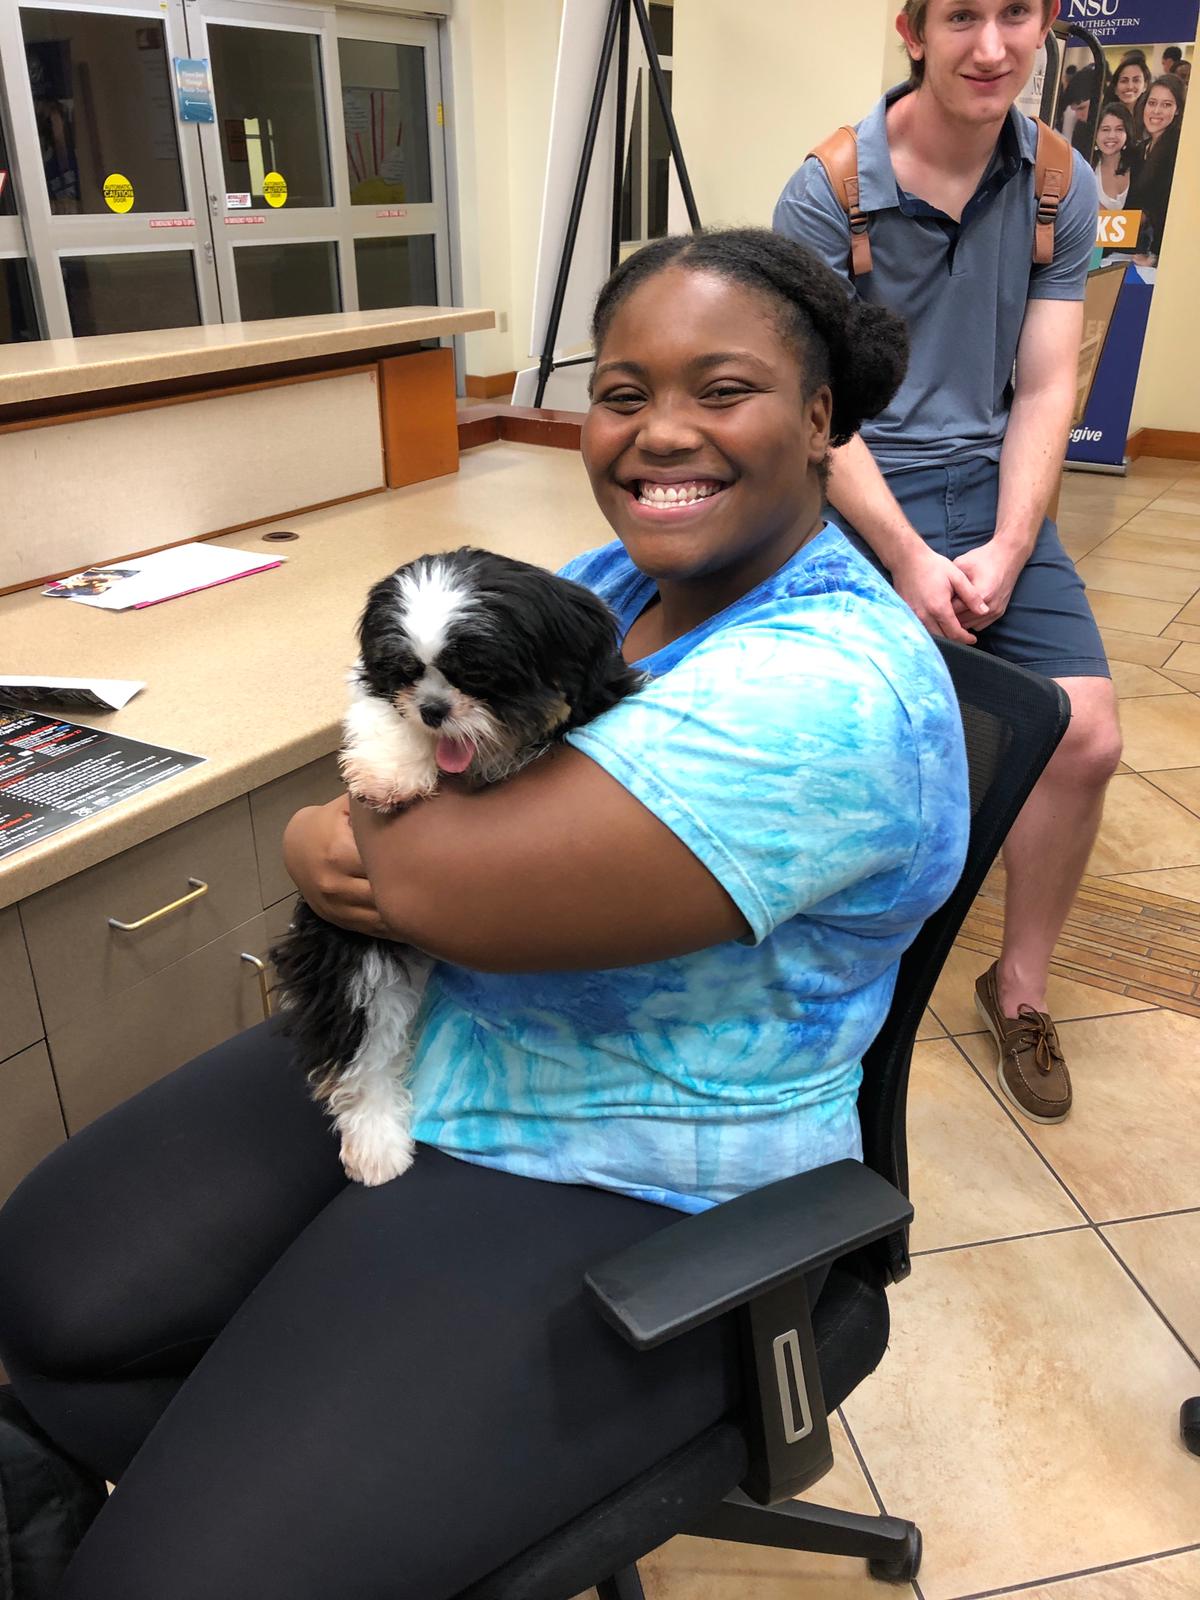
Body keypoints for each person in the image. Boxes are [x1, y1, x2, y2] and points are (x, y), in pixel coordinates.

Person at [0, 228, 969, 1599]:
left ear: (820, 419)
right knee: (43, 1286)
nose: (660, 432)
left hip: (627, 1162)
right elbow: (396, 819)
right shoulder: (618, 588)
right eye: (623, 393)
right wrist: (335, 841)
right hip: (447, 1040)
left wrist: (322, 839)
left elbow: (426, 881)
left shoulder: (826, 689)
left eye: (722, 389)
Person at [774, 0, 1123, 1127]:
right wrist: (911, 558)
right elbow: (815, 411)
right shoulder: (826, 193)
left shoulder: (1061, 185)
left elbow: (1048, 386)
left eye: (1015, 13)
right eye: (962, 14)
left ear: (1048, 22)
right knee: (845, 736)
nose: (991, 46)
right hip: (856, 495)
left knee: (1086, 736)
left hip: (993, 489)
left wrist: (1011, 546)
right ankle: (816, 979)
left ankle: (1017, 988)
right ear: (912, 29)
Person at [1128, 74, 1187, 262]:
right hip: (1134, 247)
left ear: (1177, 110)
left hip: (1162, 256)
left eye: (1166, 105)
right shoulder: (1140, 149)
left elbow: (1169, 211)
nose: (1156, 111)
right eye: (1152, 103)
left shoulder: (1178, 150)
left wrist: (1155, 257)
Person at [1093, 100, 1139, 210]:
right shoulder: (1087, 169)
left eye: (1119, 129)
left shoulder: (1139, 166)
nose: (1111, 136)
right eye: (1105, 129)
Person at [1112, 55, 1152, 135]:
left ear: (1145, 86)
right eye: (1124, 81)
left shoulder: (1151, 120)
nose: (1130, 87)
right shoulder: (1102, 118)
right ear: (1115, 88)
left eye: (1136, 80)